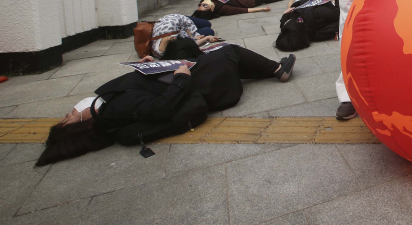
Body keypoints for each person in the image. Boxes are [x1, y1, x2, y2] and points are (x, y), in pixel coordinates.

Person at [36, 47, 296, 166]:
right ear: (82, 126)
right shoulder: (113, 110)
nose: (68, 113)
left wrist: (146, 65)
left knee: (205, 53)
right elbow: (161, 107)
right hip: (195, 89)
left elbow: (140, 94)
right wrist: (182, 75)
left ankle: (262, 69)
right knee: (230, 53)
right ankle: (277, 70)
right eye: (67, 119)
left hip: (176, 83)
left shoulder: (106, 112)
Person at [275, 0, 340, 51]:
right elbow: (339, 12)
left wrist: (285, 14)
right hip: (324, 0)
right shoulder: (318, 14)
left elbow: (283, 22)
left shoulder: (305, 33)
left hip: (311, 0)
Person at [191, 0, 290, 20]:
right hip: (249, 2)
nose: (202, 4)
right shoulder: (223, 9)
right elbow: (243, 10)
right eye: (204, 6)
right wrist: (262, 9)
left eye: (200, 5)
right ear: (212, 10)